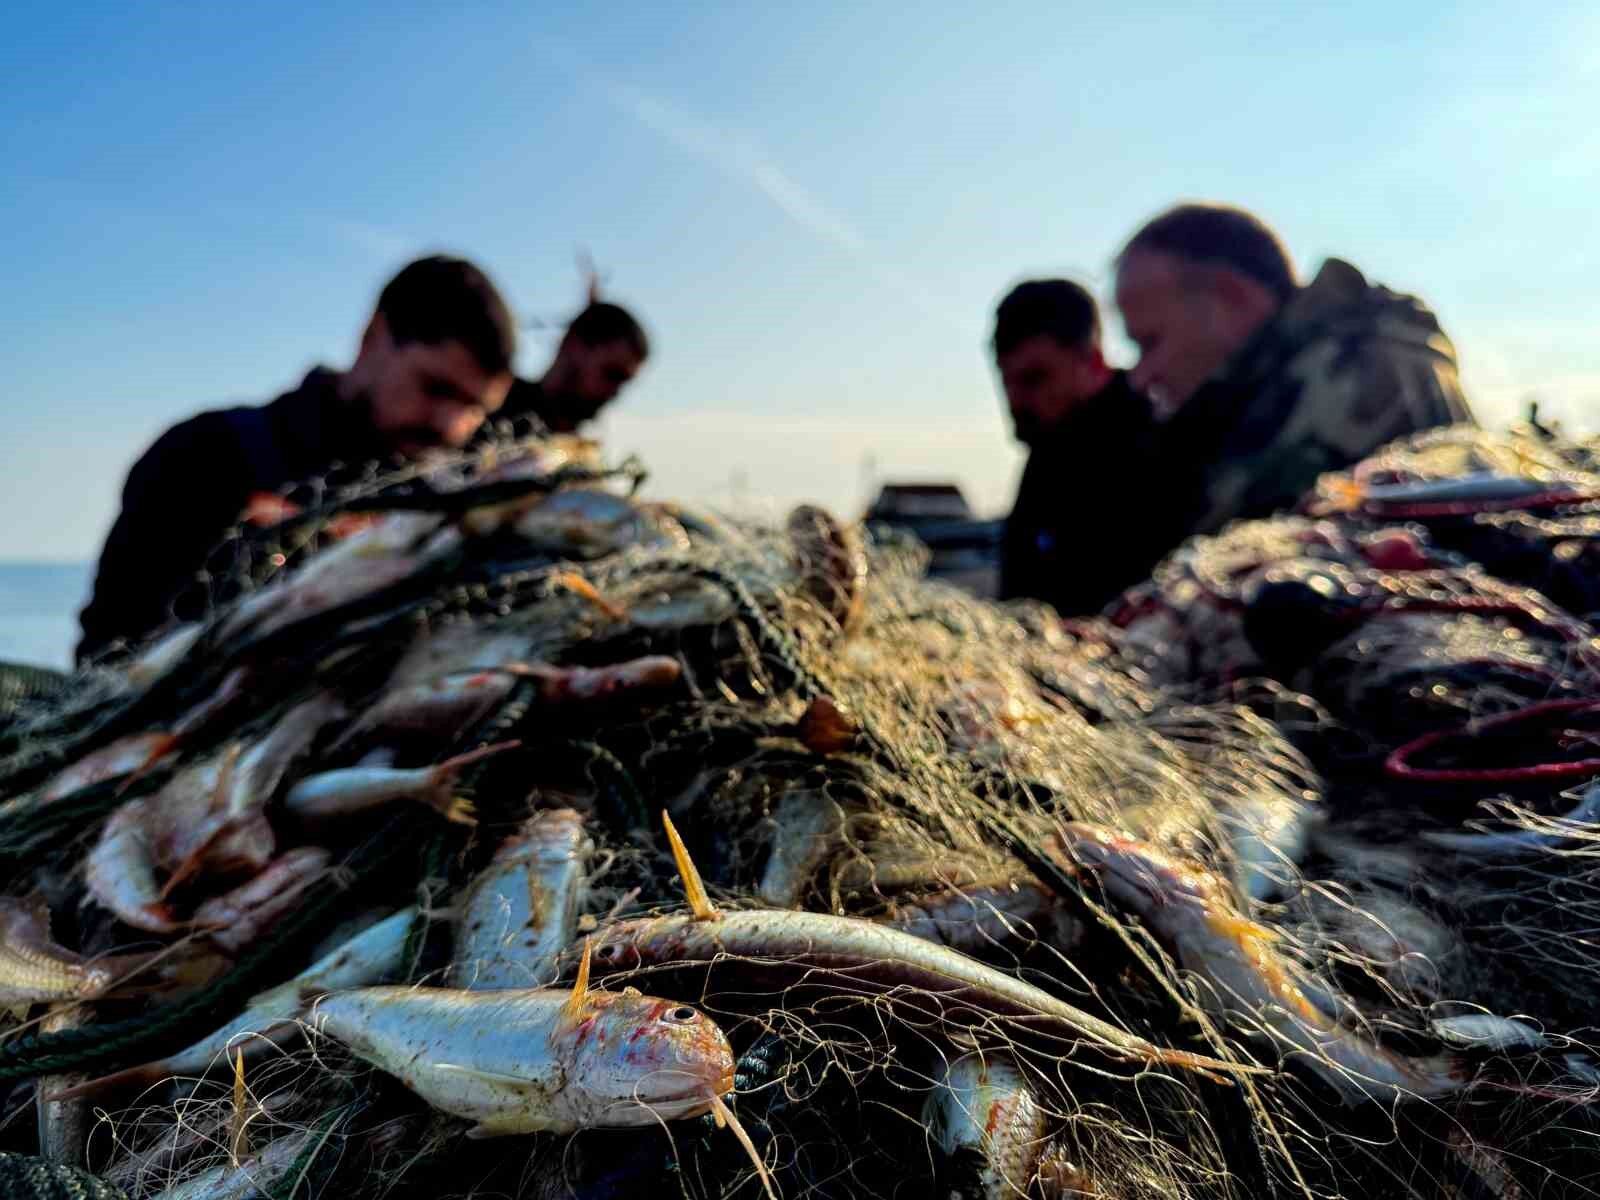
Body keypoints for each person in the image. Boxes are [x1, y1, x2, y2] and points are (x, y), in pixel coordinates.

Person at [77, 255, 518, 662]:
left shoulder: (450, 508)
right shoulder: (204, 455)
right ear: (374, 338)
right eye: (435, 388)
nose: (452, 425)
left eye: (476, 408)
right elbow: (110, 653)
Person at [1114, 203, 1474, 539]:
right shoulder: (1254, 399)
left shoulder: (1363, 374)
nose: (1141, 376)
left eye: (1150, 341)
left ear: (1233, 295)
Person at [991, 279, 1172, 615]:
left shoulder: (1158, 446)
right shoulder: (1047, 455)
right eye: (1006, 380)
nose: (1015, 400)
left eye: (1035, 378)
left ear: (1093, 362)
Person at [496, 300, 649, 435]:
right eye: (612, 373)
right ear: (574, 345)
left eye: (623, 383)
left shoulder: (578, 453)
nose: (614, 392)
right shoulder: (489, 410)